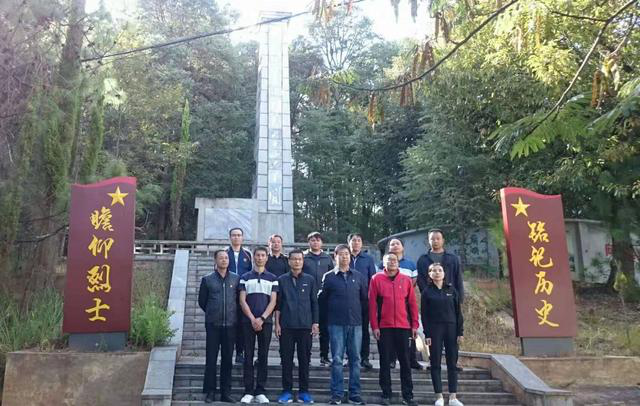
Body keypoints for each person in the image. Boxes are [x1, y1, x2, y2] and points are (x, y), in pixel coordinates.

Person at [319, 244, 368, 405]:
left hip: (355, 323)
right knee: (337, 360)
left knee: (355, 359)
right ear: (335, 257)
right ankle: (337, 394)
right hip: (336, 323)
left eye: (347, 254)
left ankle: (354, 394)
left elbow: (364, 300)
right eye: (341, 254)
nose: (344, 257)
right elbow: (323, 300)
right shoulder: (329, 277)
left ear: (350, 256)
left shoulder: (359, 276)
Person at [369, 253, 419, 406]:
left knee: (405, 362)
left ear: (398, 263)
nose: (392, 262)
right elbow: (372, 305)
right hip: (384, 327)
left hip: (403, 327)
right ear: (383, 263)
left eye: (394, 260)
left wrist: (415, 325)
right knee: (385, 362)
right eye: (389, 260)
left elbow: (412, 304)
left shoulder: (406, 280)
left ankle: (408, 396)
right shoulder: (376, 279)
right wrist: (375, 326)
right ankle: (386, 394)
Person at [275, 249, 319, 404]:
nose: (297, 262)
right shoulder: (281, 280)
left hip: (305, 326)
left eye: (299, 259)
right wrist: (277, 324)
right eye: (294, 259)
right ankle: (286, 391)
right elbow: (278, 305)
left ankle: (304, 392)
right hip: (286, 326)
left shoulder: (310, 279)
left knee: (304, 360)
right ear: (289, 261)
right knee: (286, 360)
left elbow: (314, 303)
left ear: (303, 261)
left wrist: (315, 322)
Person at [416, 228, 464, 372]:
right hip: (432, 301)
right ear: (428, 241)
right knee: (432, 332)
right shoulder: (423, 260)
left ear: (443, 240)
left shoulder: (452, 259)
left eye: (438, 238)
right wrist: (428, 294)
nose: (435, 241)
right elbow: (421, 280)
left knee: (453, 332)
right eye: (432, 239)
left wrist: (459, 297)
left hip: (450, 299)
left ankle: (453, 363)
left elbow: (458, 279)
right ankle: (433, 361)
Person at [198, 250, 240, 403]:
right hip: (213, 325)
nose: (224, 260)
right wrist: (213, 312)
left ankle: (225, 392)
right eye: (221, 258)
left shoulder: (236, 279)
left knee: (227, 360)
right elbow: (202, 301)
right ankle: (210, 392)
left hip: (230, 325)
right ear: (215, 260)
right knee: (211, 359)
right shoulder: (207, 279)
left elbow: (238, 301)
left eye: (226, 258)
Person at [238, 247, 278, 404]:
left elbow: (273, 301)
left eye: (263, 255)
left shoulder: (273, 278)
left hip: (265, 322)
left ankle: (260, 390)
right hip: (247, 321)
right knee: (248, 356)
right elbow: (242, 300)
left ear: (266, 258)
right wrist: (252, 318)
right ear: (253, 257)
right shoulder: (245, 277)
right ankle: (248, 390)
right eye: (257, 255)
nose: (260, 258)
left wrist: (261, 318)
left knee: (263, 356)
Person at [421, 263, 464, 406]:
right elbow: (425, 315)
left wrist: (460, 332)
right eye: (434, 270)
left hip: (451, 329)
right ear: (430, 274)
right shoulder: (427, 292)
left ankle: (453, 397)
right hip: (435, 330)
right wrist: (427, 334)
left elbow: (458, 313)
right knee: (435, 363)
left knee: (452, 363)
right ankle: (439, 396)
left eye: (440, 270)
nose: (437, 272)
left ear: (444, 273)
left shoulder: (452, 290)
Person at [378, 238, 422, 370]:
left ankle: (412, 359)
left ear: (402, 247)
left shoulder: (410, 264)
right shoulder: (382, 264)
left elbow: (413, 281)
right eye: (392, 244)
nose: (395, 246)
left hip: (405, 302)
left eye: (397, 243)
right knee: (390, 333)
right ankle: (391, 359)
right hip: (388, 303)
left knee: (409, 333)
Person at [302, 231, 334, 366]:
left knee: (324, 329)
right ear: (308, 242)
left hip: (324, 298)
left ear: (322, 242)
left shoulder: (327, 258)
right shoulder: (303, 257)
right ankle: (306, 356)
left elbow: (332, 275)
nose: (315, 242)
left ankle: (324, 356)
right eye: (313, 240)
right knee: (307, 329)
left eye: (318, 240)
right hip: (306, 298)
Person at [347, 233, 377, 370]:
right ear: (349, 243)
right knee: (348, 331)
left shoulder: (368, 259)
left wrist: (371, 297)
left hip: (364, 300)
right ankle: (350, 357)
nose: (356, 243)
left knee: (364, 330)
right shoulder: (344, 256)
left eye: (359, 240)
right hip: (347, 300)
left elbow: (373, 279)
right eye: (353, 240)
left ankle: (364, 358)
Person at [226, 227, 253, 365]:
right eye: (234, 235)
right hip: (228, 293)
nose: (236, 237)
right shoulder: (225, 253)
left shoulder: (247, 254)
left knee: (242, 324)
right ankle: (228, 352)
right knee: (230, 324)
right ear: (230, 237)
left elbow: (251, 272)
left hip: (243, 293)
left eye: (239, 235)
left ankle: (240, 352)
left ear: (242, 238)